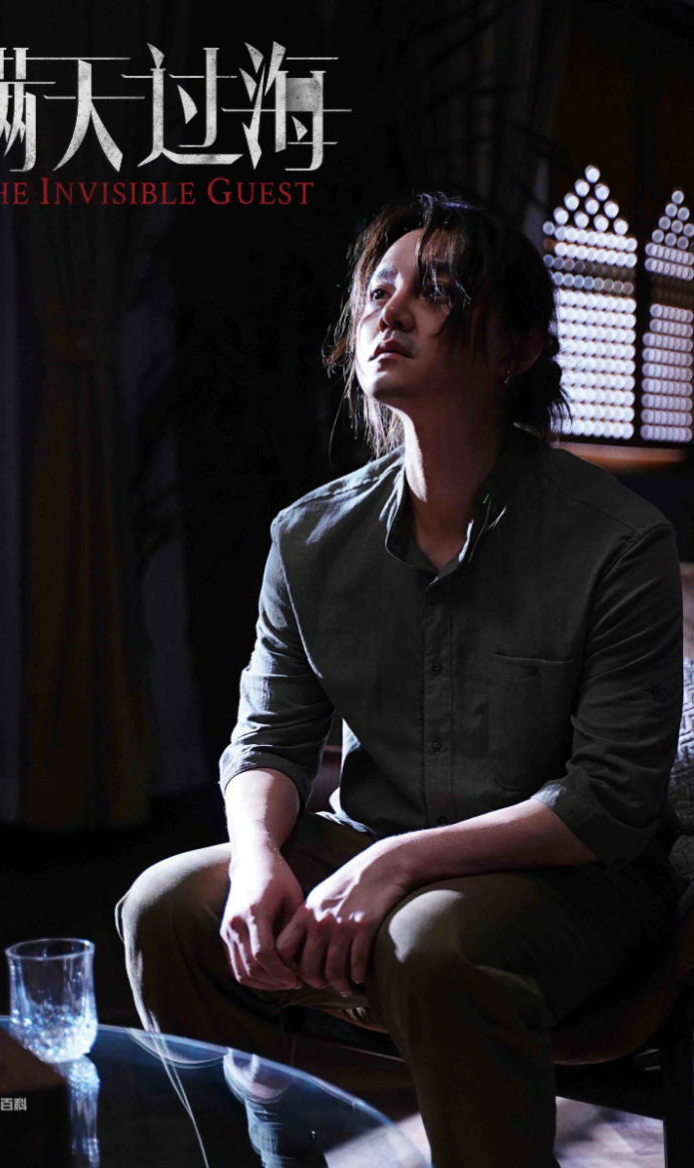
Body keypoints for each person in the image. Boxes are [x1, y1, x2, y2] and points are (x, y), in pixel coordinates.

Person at [117, 191, 684, 1168]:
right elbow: (267, 740)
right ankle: (271, 1151)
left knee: (429, 938)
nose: (392, 311)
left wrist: (394, 863)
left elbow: (608, 802)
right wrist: (255, 858)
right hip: (366, 843)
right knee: (166, 905)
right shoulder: (308, 537)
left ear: (515, 349)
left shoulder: (617, 542)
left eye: (437, 290)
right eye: (378, 291)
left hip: (568, 881)